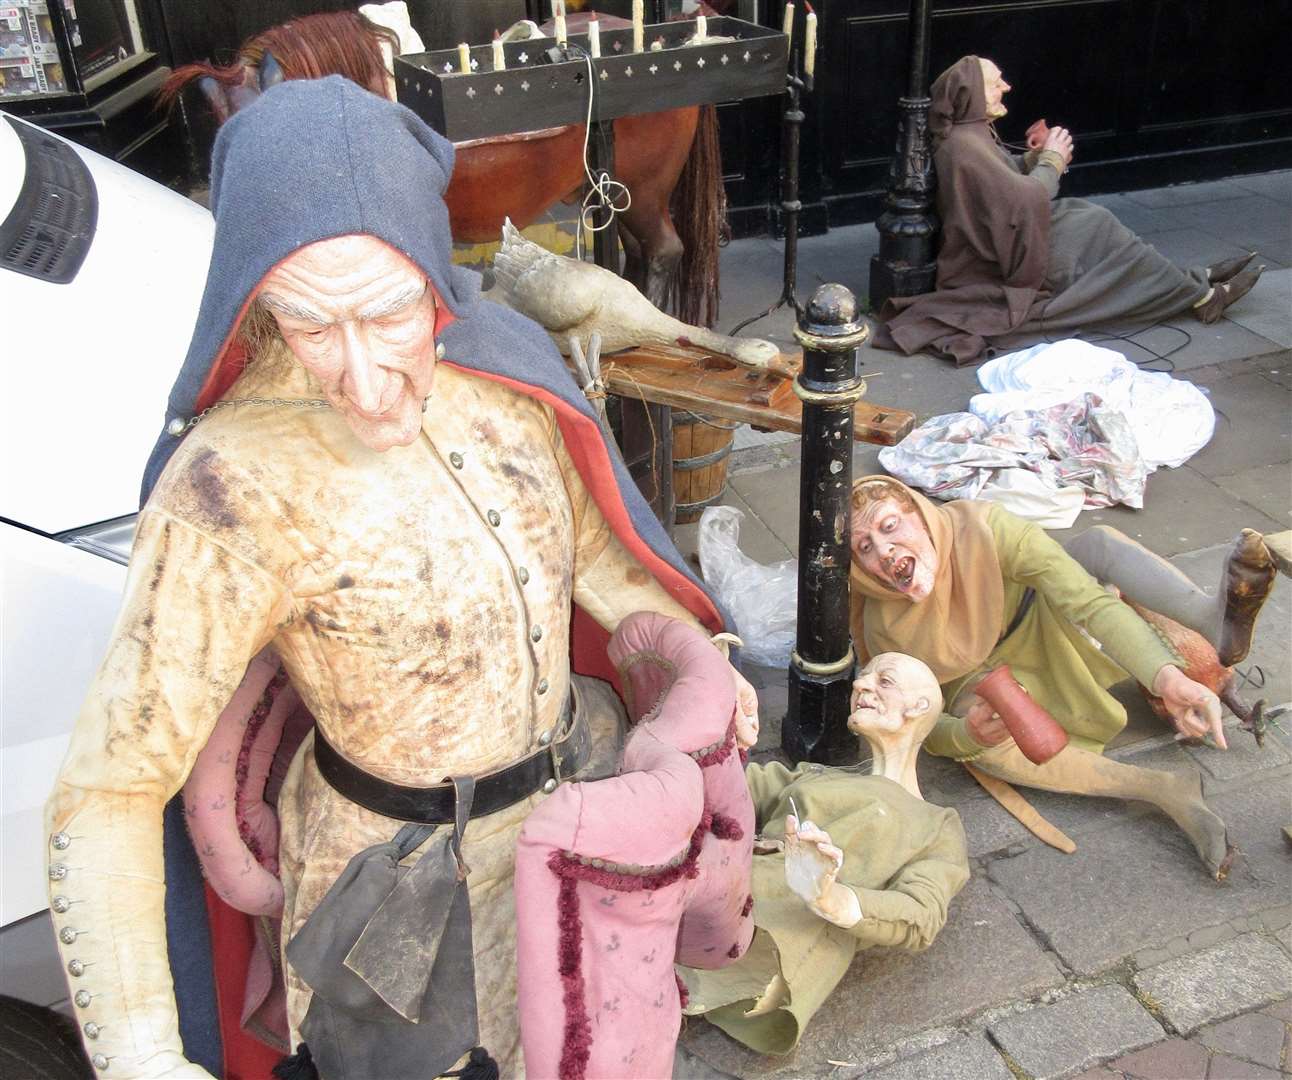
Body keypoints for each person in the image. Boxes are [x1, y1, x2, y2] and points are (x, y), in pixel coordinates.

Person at [44, 76, 757, 1079]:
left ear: (433, 271)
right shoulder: (230, 487)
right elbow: (109, 790)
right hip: (391, 917)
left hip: (577, 843)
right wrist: (140, 1058)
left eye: (385, 316)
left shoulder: (509, 376)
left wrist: (695, 660)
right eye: (308, 326)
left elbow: (600, 559)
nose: (363, 377)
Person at [847, 475, 1277, 879]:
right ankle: (1164, 788)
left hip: (1046, 623)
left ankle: (1207, 618)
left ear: (921, 515)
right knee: (990, 745)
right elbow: (914, 725)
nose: (884, 551)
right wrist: (968, 736)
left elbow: (1088, 604)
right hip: (986, 682)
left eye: (891, 526)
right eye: (865, 547)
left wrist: (1166, 678)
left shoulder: (984, 529)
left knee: (1100, 549)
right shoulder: (883, 628)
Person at [874, 55, 1265, 365]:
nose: (1005, 88)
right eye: (996, 84)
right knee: (1102, 230)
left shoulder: (973, 135)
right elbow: (1025, 201)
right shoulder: (966, 145)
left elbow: (1005, 187)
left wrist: (1034, 157)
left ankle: (1194, 280)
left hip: (1012, 237)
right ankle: (1201, 297)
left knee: (1093, 221)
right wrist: (1053, 162)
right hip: (998, 257)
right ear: (974, 93)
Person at [682, 653, 970, 1054]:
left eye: (883, 682)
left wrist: (831, 899)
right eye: (861, 680)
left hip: (774, 939)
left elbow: (921, 915)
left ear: (919, 706)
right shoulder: (814, 775)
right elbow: (726, 786)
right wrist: (720, 711)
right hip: (705, 890)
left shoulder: (936, 824)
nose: (859, 687)